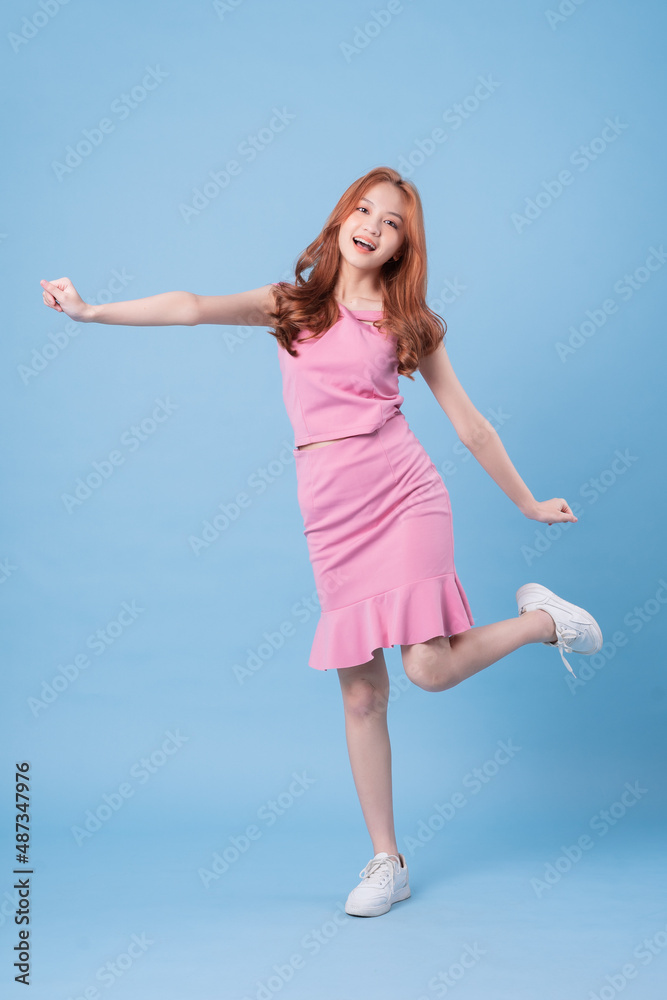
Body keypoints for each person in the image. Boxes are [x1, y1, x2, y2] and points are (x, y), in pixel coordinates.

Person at [40, 165, 602, 919]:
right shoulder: (291, 306)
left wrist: (528, 503)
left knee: (429, 670)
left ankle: (543, 621)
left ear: (405, 244)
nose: (371, 224)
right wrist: (91, 311)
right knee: (364, 694)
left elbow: (470, 424)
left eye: (391, 220)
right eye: (361, 210)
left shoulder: (410, 324)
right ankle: (385, 861)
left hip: (403, 493)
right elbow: (193, 306)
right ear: (340, 220)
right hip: (330, 513)